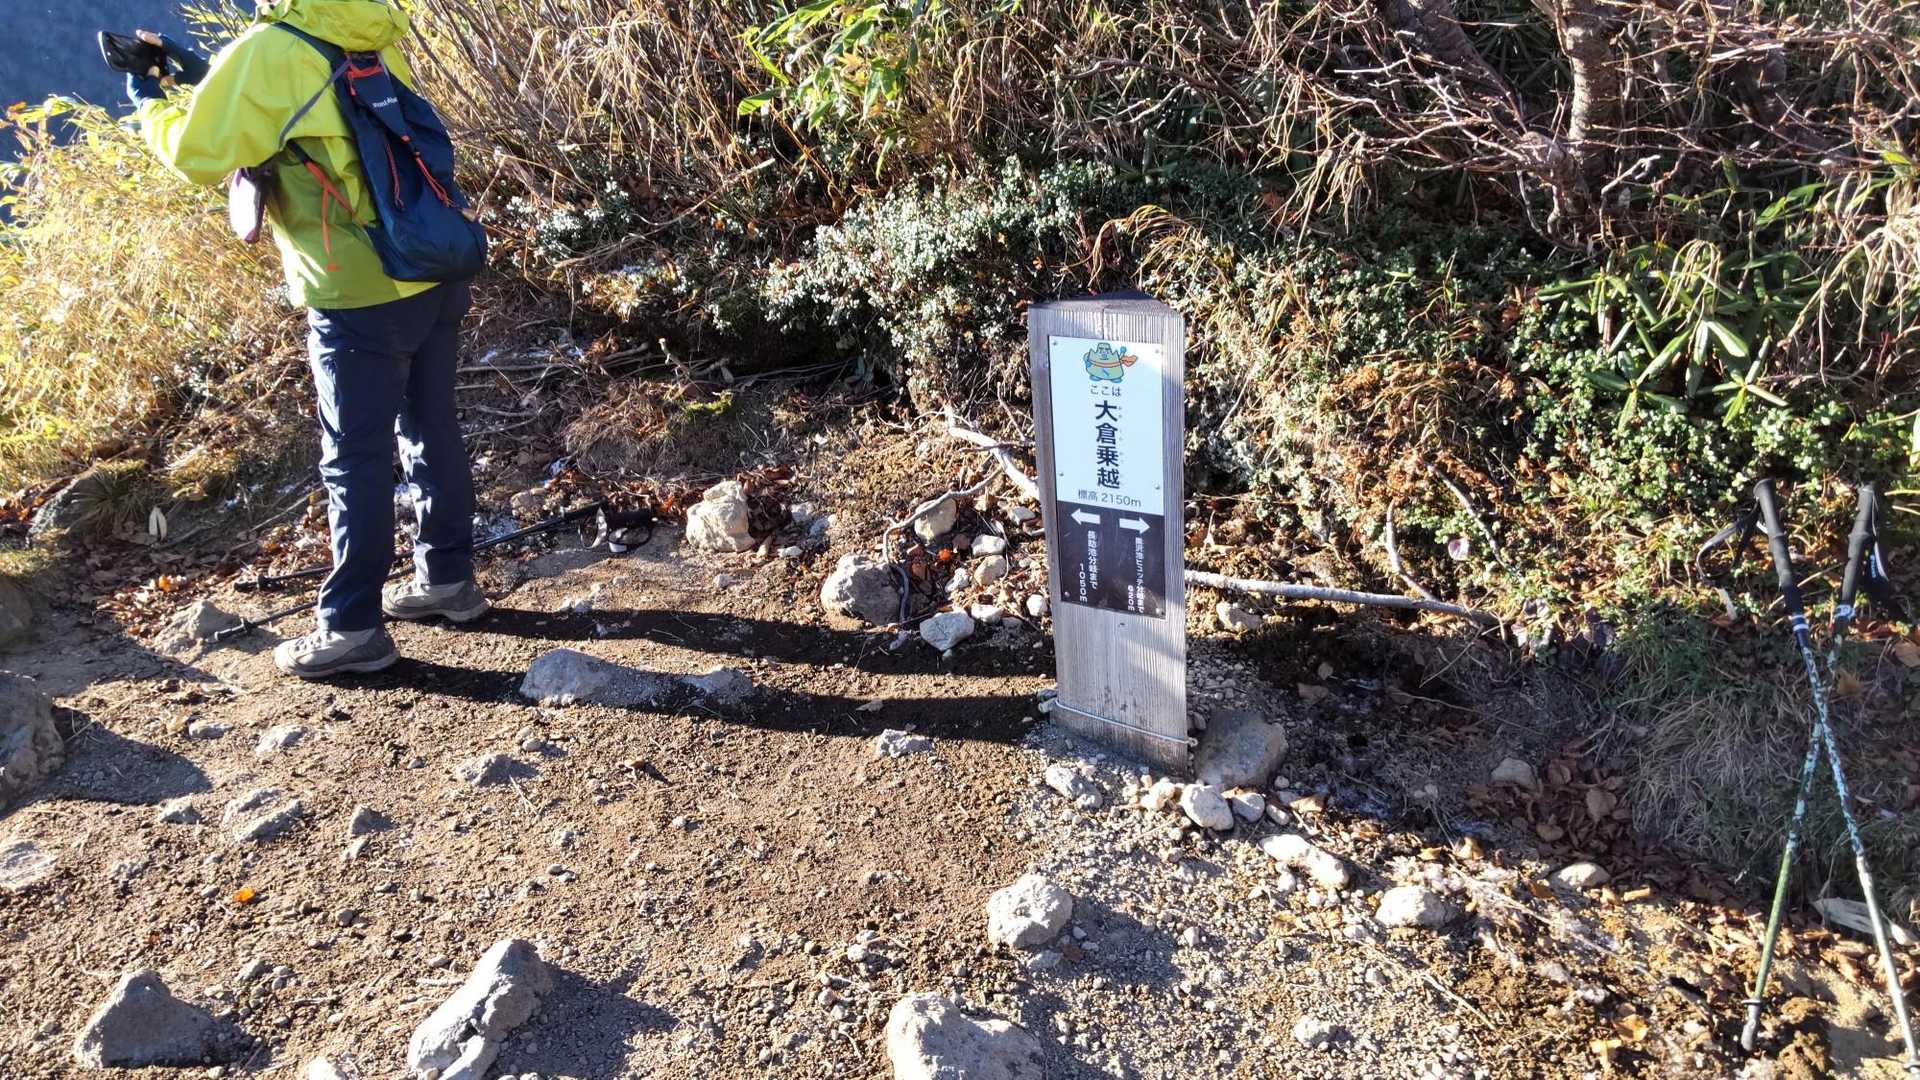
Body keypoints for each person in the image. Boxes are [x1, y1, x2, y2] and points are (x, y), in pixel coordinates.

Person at [128, 0, 489, 679]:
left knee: (354, 456)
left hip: (356, 286)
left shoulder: (267, 49)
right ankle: (448, 580)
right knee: (431, 425)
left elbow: (196, 153)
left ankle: (352, 628)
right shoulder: (367, 24)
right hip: (432, 264)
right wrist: (207, 73)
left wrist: (149, 96)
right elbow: (325, 111)